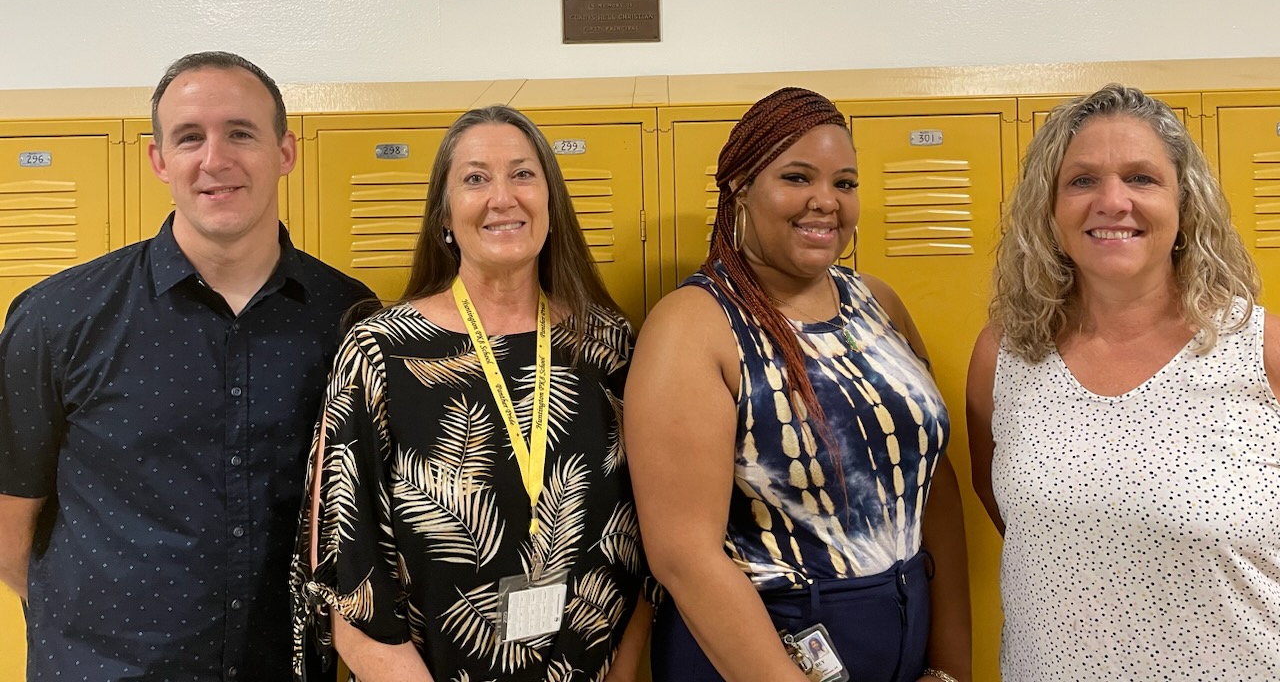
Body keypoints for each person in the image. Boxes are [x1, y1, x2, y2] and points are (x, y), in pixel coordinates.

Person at [0, 51, 373, 681]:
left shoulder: (348, 320)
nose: (214, 160)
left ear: (285, 152)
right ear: (158, 159)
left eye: (240, 133)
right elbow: (11, 524)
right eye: (189, 137)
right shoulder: (56, 318)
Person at [293, 105, 653, 682]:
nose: (502, 197)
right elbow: (349, 583)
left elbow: (647, 547)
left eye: (523, 174)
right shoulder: (380, 353)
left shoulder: (608, 347)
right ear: (444, 214)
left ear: (552, 204)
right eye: (475, 178)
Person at [625, 87, 971, 682]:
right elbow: (684, 557)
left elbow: (933, 484)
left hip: (903, 630)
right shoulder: (694, 327)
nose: (825, 202)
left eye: (845, 183)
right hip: (762, 650)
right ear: (739, 189)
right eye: (797, 177)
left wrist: (951, 664)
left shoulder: (877, 303)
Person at [967, 84, 1280, 679]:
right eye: (1082, 180)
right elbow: (1005, 506)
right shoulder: (1005, 353)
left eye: (1142, 178)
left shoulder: (1263, 351)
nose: (1113, 201)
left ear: (1185, 205)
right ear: (1049, 209)